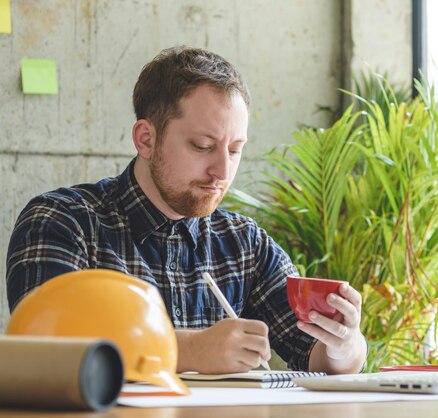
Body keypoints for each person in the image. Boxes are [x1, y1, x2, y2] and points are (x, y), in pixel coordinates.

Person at [5, 46, 367, 375]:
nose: (223, 172)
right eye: (202, 146)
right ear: (146, 139)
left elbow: (316, 355)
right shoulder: (62, 222)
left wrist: (344, 344)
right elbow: (47, 351)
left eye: (235, 149)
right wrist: (189, 350)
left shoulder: (245, 244)